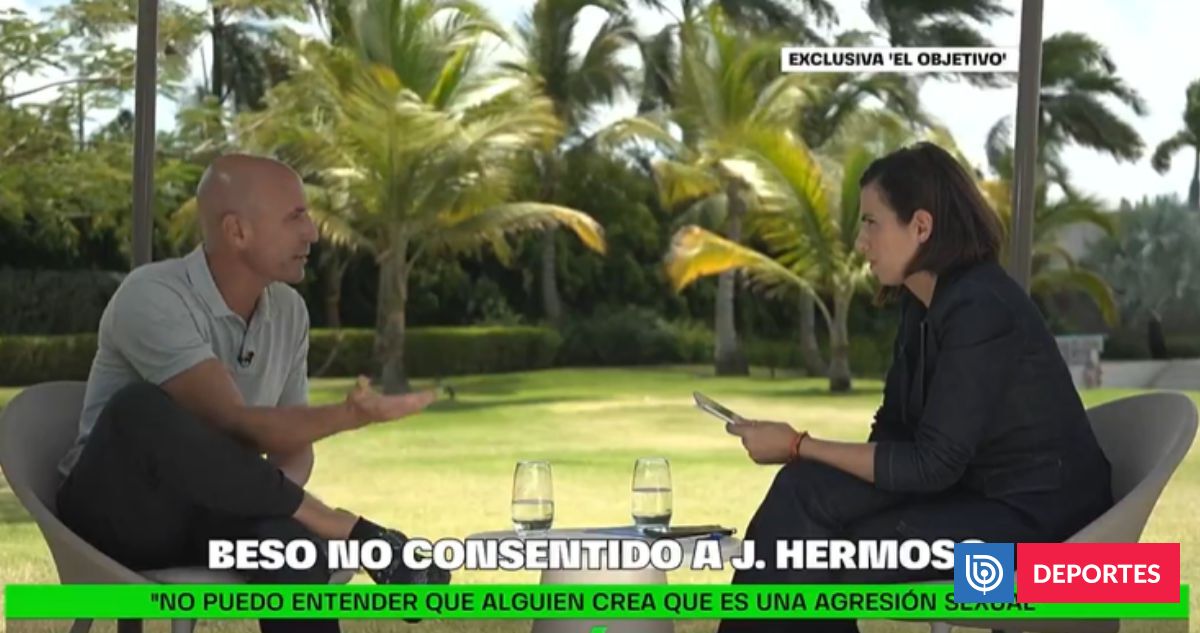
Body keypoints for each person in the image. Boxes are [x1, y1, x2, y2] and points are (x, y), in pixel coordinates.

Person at [717, 142, 1114, 633]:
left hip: (1042, 534)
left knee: (820, 553)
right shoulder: (922, 304)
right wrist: (812, 465)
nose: (861, 242)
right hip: (973, 495)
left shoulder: (981, 308)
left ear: (921, 226)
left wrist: (799, 445)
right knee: (803, 493)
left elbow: (933, 463)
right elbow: (896, 429)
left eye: (871, 223)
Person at [55, 154, 447, 633]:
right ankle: (350, 530)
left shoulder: (289, 311)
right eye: (295, 217)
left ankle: (347, 534)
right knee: (140, 409)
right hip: (119, 511)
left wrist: (277, 509)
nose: (312, 233)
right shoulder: (151, 295)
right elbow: (230, 420)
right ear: (237, 231)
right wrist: (347, 419)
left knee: (291, 547)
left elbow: (292, 446)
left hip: (211, 510)